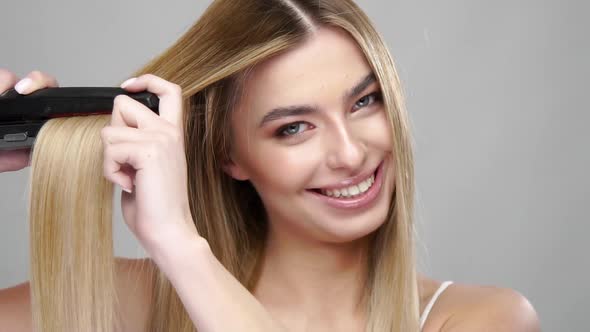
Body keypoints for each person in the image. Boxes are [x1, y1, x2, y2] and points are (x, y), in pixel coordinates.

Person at [0, 0, 540, 331]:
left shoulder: (479, 319)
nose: (350, 153)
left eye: (363, 102)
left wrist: (183, 248)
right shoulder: (136, 300)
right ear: (228, 156)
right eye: (293, 128)